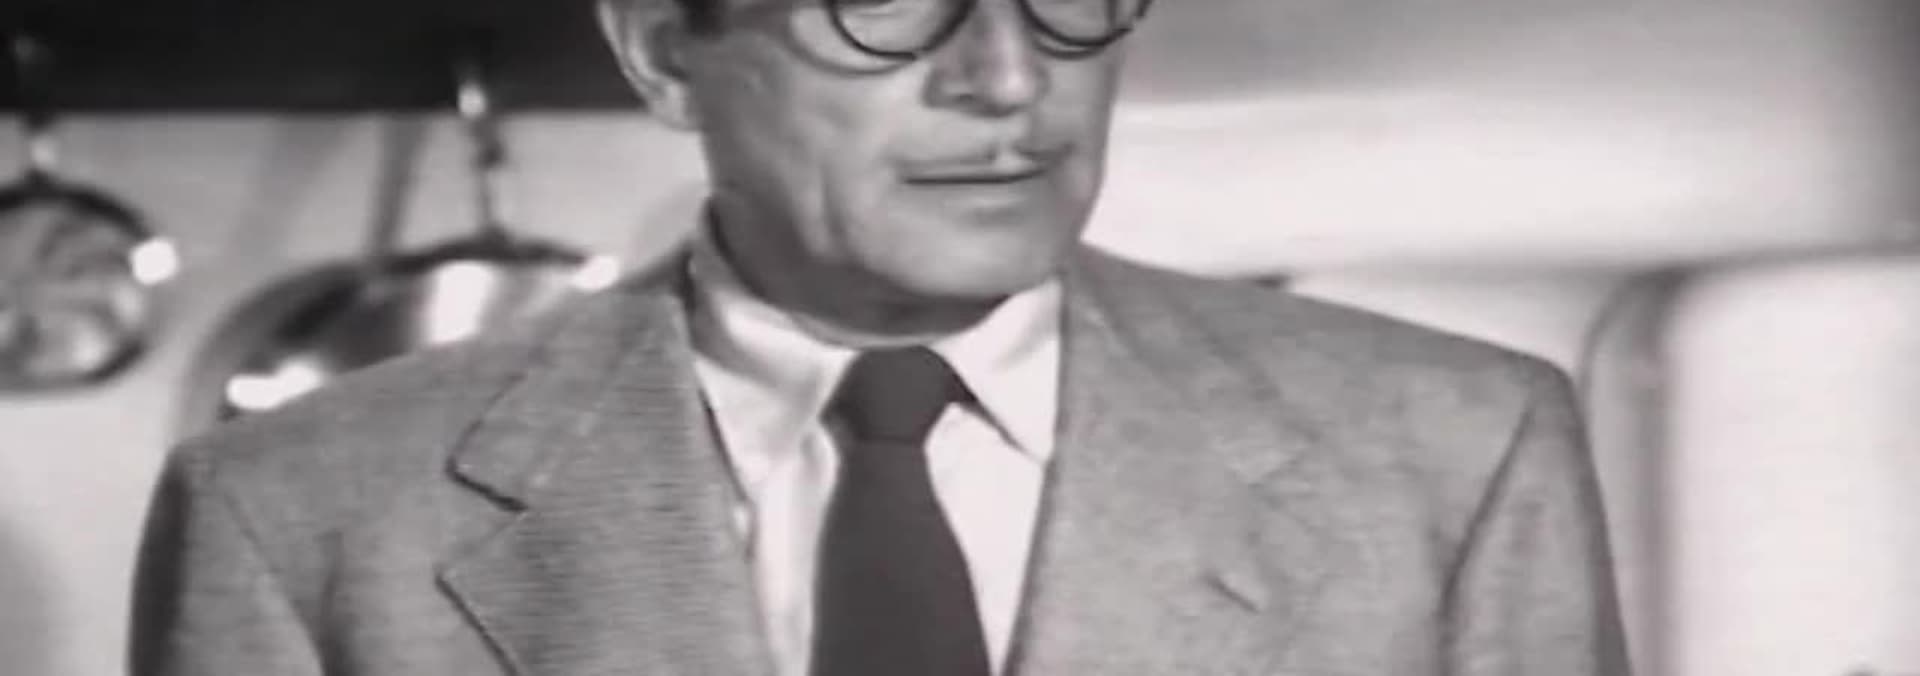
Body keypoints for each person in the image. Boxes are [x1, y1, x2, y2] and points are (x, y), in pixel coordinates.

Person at [128, 0, 1631, 673]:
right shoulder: (301, 513)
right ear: (664, 50)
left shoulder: (1454, 448)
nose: (1008, 77)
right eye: (887, 6)